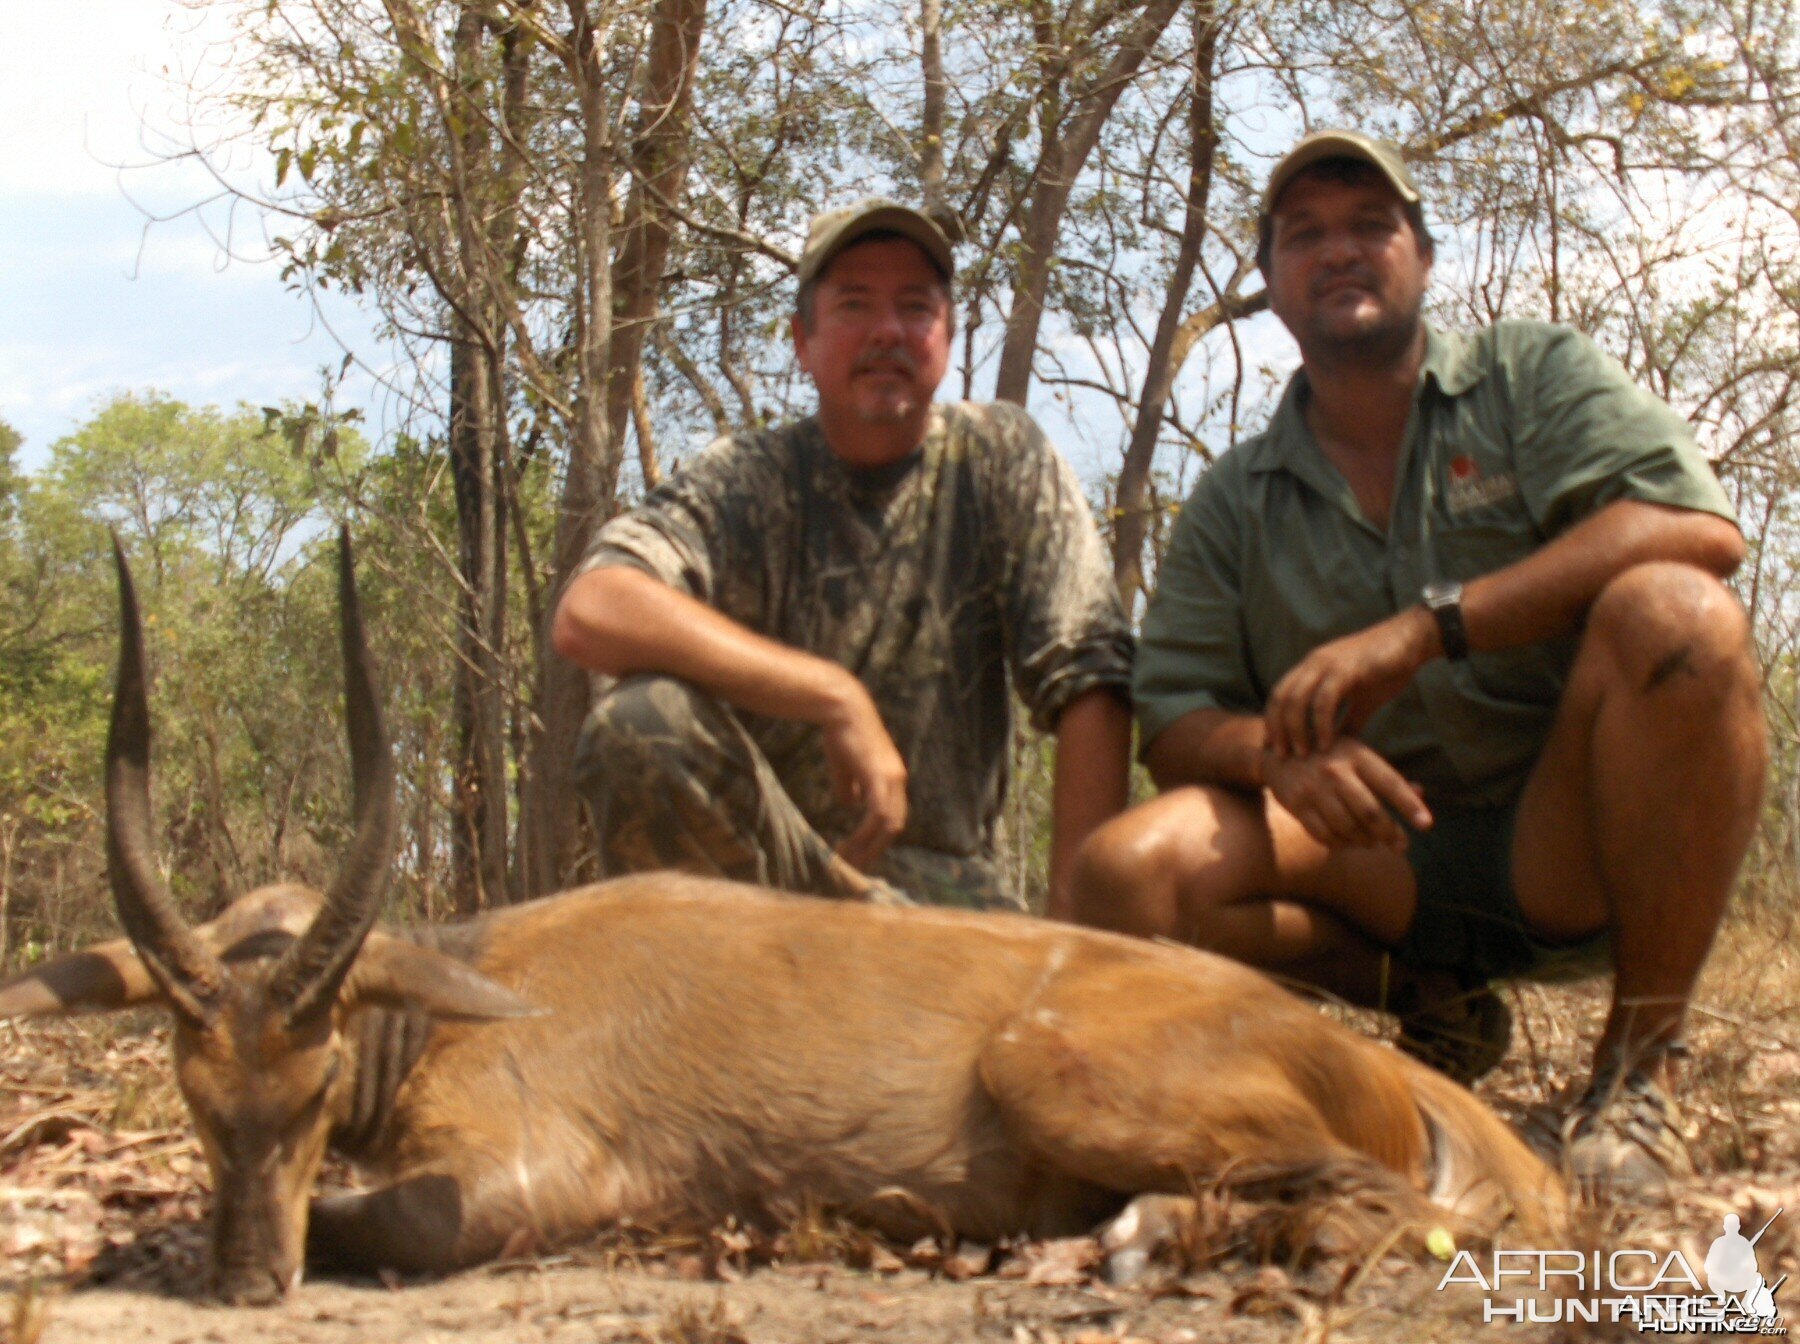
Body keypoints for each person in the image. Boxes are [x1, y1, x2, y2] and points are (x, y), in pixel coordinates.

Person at [1070, 131, 1767, 1188]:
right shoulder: (1234, 497)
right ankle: (1432, 1007)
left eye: (1370, 226)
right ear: (1270, 286)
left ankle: (1638, 1072)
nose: (1339, 251)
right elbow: (1174, 717)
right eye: (1304, 236)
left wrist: (1428, 627)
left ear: (1424, 258)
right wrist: (1276, 759)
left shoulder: (1530, 377)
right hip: (1378, 863)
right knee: (1126, 875)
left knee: (1681, 614)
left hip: (1570, 839)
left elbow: (1697, 527)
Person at [553, 199, 1134, 914]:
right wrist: (833, 695)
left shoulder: (1000, 457)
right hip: (772, 887)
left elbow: (1091, 681)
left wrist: (1078, 948)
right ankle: (712, 1004)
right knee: (639, 724)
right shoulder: (747, 478)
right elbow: (593, 607)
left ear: (947, 337)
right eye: (855, 305)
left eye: (915, 308)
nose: (887, 332)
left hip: (945, 900)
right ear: (803, 341)